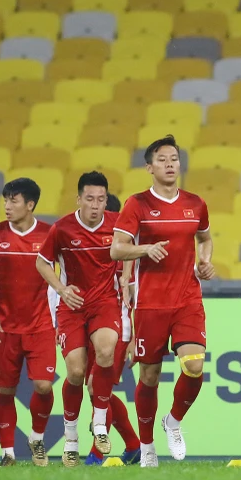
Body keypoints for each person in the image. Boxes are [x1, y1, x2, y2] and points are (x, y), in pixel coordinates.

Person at [111, 135, 216, 468]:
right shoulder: (137, 204)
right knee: (150, 376)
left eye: (174, 159)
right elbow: (116, 249)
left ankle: (172, 421)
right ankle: (147, 447)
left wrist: (205, 260)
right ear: (149, 167)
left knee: (194, 366)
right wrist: (145, 249)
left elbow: (205, 237)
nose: (170, 164)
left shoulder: (196, 204)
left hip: (187, 299)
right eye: (162, 159)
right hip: (150, 303)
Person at [36, 172, 123, 467]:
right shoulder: (62, 228)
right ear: (79, 199)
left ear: (106, 201)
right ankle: (70, 437)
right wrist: (61, 289)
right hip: (72, 306)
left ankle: (99, 424)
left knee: (106, 351)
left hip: (105, 303)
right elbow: (41, 263)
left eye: (101, 199)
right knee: (75, 372)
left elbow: (134, 250)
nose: (95, 205)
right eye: (90, 199)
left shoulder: (117, 225)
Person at [0, 178, 55, 467]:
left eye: (13, 201)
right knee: (5, 390)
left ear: (30, 205)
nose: (7, 206)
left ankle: (37, 438)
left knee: (43, 386)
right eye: (5, 200)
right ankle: (7, 453)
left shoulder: (49, 234)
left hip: (41, 325)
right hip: (5, 328)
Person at [84, 192, 141, 466]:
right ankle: (133, 445)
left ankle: (96, 454)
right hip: (94, 327)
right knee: (96, 390)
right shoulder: (93, 250)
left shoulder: (130, 252)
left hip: (120, 328)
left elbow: (138, 296)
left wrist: (135, 337)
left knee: (96, 387)